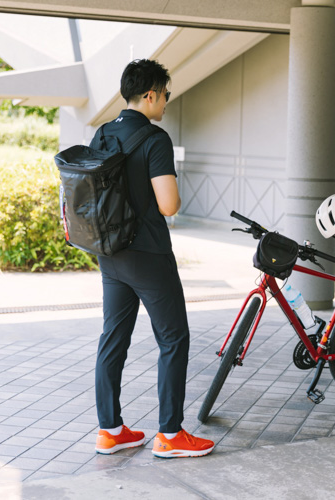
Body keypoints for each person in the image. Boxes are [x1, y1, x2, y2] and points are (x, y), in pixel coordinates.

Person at [91, 59, 214, 458]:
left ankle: (110, 430)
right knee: (174, 339)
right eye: (166, 94)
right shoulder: (155, 140)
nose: (166, 102)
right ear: (150, 95)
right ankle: (171, 435)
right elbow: (168, 205)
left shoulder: (103, 134)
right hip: (148, 256)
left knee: (113, 339)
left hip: (110, 254)